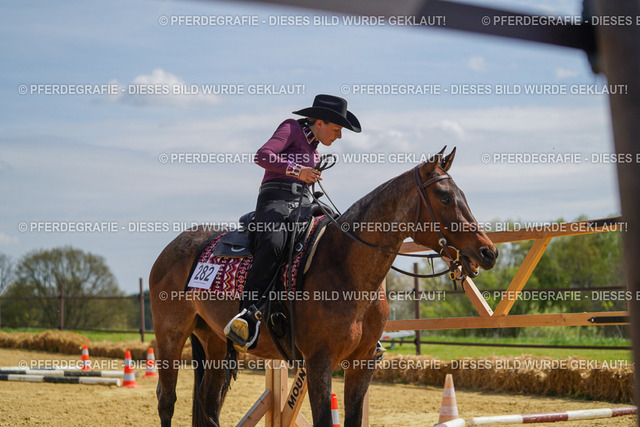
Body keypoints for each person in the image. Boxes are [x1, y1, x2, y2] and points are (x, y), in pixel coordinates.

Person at [224, 94, 384, 360]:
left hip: (303, 204)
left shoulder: (315, 151)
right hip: (274, 200)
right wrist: (298, 172)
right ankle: (248, 315)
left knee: (338, 237)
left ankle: (359, 327)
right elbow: (262, 155)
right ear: (319, 122)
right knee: (274, 243)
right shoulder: (291, 128)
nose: (339, 136)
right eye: (336, 129)